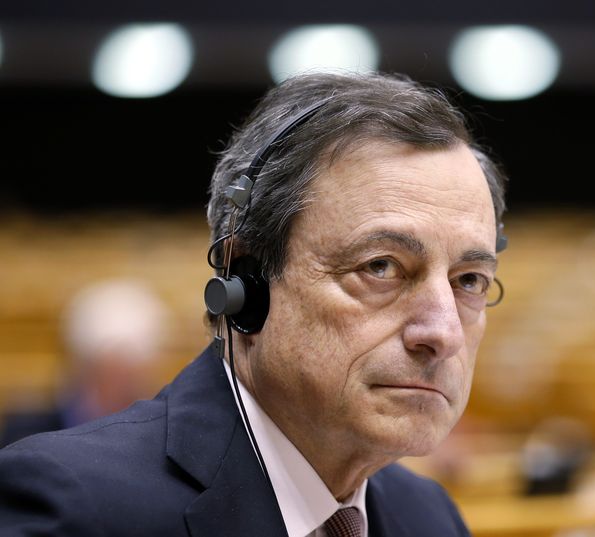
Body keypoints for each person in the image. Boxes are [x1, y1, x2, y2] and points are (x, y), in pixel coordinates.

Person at [0, 71, 508, 537]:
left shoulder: (430, 517)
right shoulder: (76, 509)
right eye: (380, 267)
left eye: (469, 279)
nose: (443, 334)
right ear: (246, 282)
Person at [0, 277, 169, 448]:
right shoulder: (26, 437)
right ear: (86, 369)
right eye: (111, 373)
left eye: (131, 375)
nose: (121, 386)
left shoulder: (161, 440)